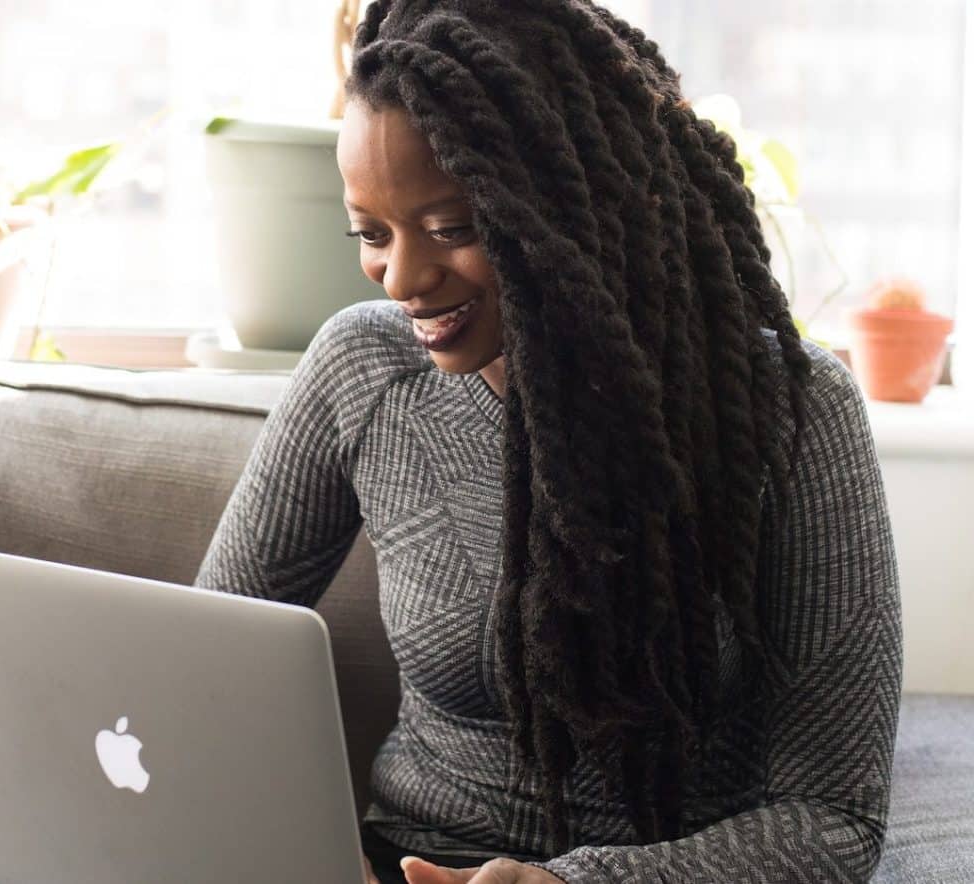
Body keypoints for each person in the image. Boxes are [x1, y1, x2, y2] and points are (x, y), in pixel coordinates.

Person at [194, 1, 903, 882]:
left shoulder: (796, 412)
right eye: (371, 235)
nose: (403, 278)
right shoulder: (360, 369)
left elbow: (834, 818)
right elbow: (200, 663)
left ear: (569, 207)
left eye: (452, 228)